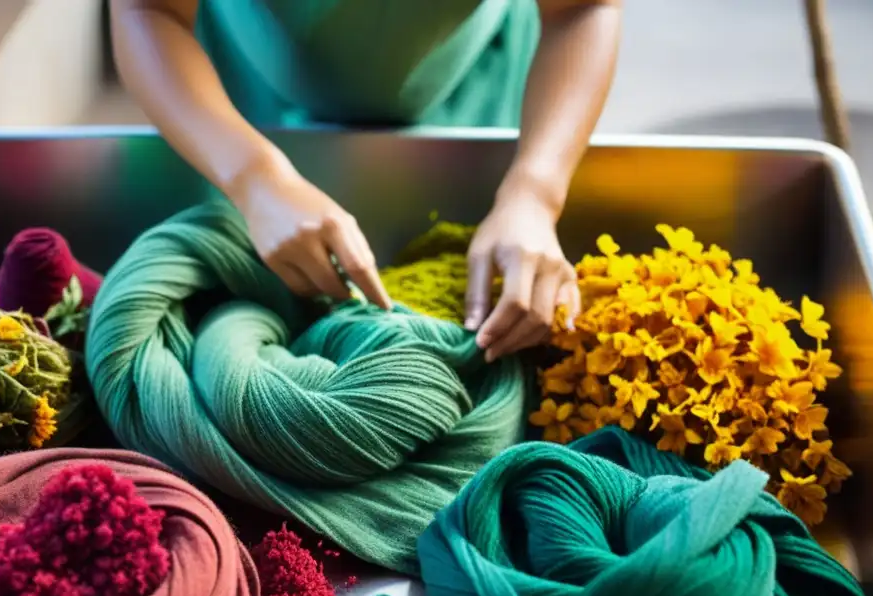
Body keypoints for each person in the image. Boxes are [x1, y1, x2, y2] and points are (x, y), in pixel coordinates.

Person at [111, 0, 622, 361]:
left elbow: (582, 7)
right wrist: (253, 176)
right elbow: (149, 10)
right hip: (246, 93)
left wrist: (533, 193)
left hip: (473, 87)